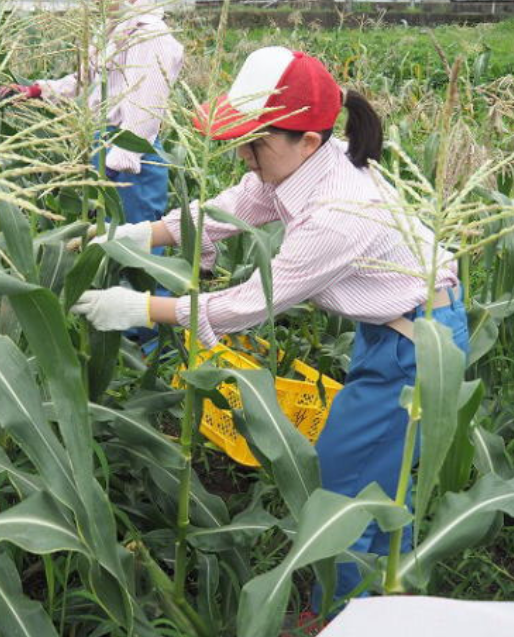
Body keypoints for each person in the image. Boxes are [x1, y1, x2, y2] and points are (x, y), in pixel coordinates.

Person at [71, 46, 470, 616]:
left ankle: (333, 617)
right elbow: (234, 206)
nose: (246, 156)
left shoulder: (340, 213)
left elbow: (250, 303)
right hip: (392, 329)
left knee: (340, 489)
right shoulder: (306, 161)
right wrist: (141, 235)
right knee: (377, 479)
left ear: (307, 139)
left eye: (255, 142)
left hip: (418, 348)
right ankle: (383, 601)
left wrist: (144, 309)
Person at [0, 0, 183, 234]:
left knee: (132, 252)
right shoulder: (114, 29)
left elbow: (144, 116)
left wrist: (111, 171)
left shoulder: (151, 37)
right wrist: (38, 90)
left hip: (131, 162)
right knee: (102, 248)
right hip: (103, 151)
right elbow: (84, 78)